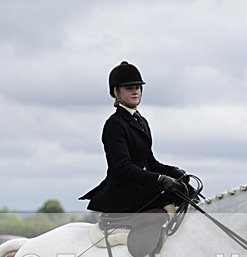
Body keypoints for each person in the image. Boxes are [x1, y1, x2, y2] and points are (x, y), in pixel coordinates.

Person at [80, 61, 193, 214]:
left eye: (138, 88)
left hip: (141, 186)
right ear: (117, 92)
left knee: (186, 190)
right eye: (129, 88)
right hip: (123, 191)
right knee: (168, 199)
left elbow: (150, 162)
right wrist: (160, 179)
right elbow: (122, 167)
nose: (135, 92)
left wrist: (173, 171)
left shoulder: (142, 122)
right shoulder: (114, 124)